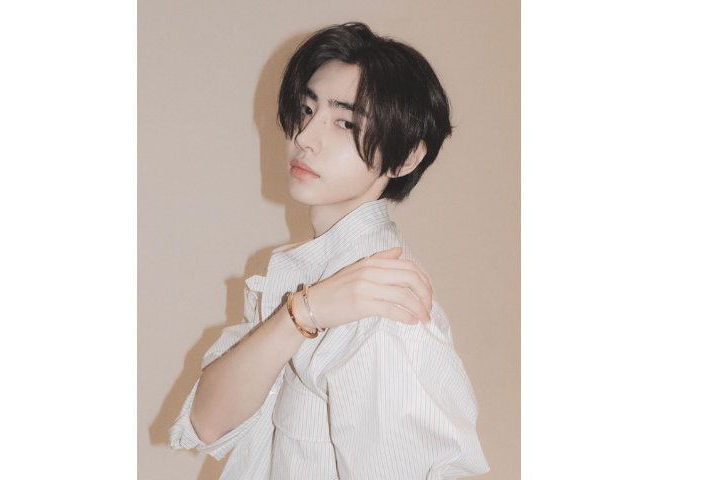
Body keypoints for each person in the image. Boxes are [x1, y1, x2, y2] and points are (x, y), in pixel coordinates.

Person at [170, 22, 490, 479]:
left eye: (345, 122)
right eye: (307, 108)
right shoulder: (311, 277)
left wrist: (309, 310)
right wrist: (303, 312)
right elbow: (207, 421)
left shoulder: (383, 312)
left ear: (406, 157)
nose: (304, 136)